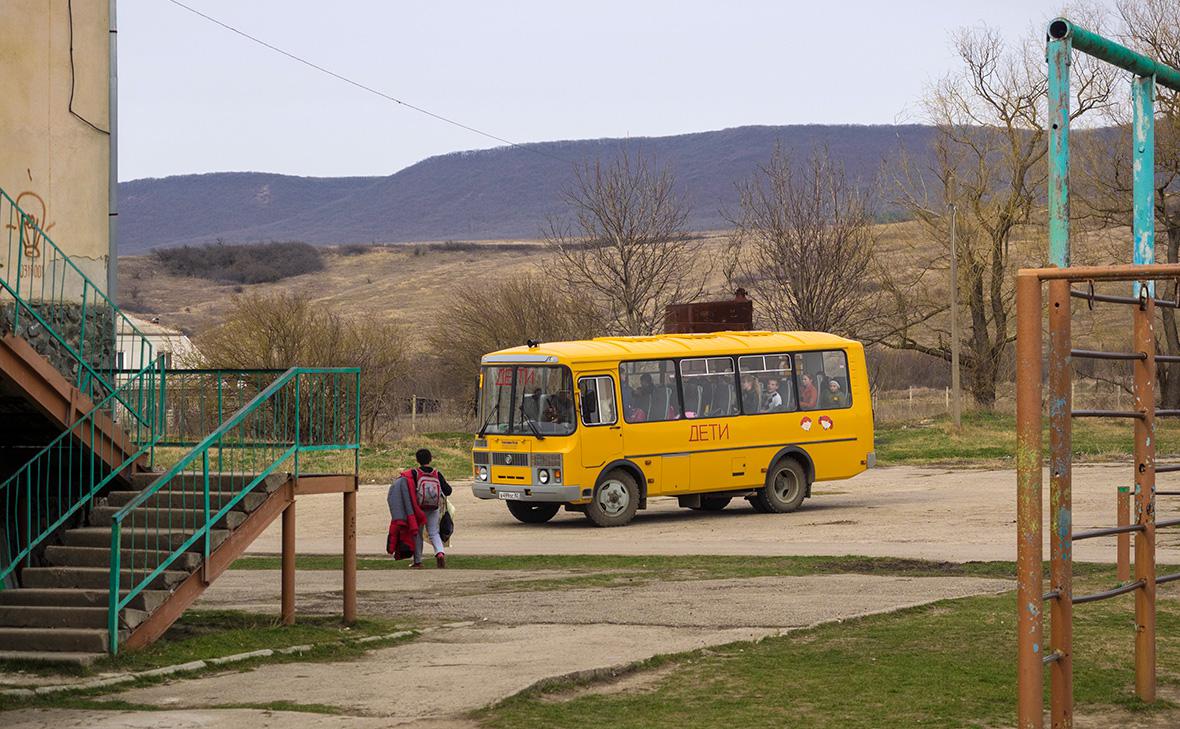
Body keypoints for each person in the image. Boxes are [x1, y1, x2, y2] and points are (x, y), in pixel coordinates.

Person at [391, 448, 453, 568]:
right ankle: (440, 553)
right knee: (434, 532)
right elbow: (448, 491)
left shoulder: (414, 474)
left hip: (418, 508)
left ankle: (418, 561)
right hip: (434, 507)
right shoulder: (437, 473)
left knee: (417, 534)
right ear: (430, 459)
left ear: (417, 460)